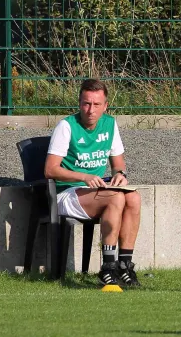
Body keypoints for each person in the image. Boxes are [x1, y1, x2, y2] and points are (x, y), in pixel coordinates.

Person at [44, 78, 142, 287]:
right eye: (86, 103)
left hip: (96, 192)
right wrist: (84, 176)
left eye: (97, 104)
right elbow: (50, 170)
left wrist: (120, 174)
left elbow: (118, 164)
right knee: (115, 197)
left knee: (133, 197)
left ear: (106, 106)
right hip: (66, 193)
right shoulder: (66, 126)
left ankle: (125, 267)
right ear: (79, 103)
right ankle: (108, 268)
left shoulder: (110, 123)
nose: (90, 110)